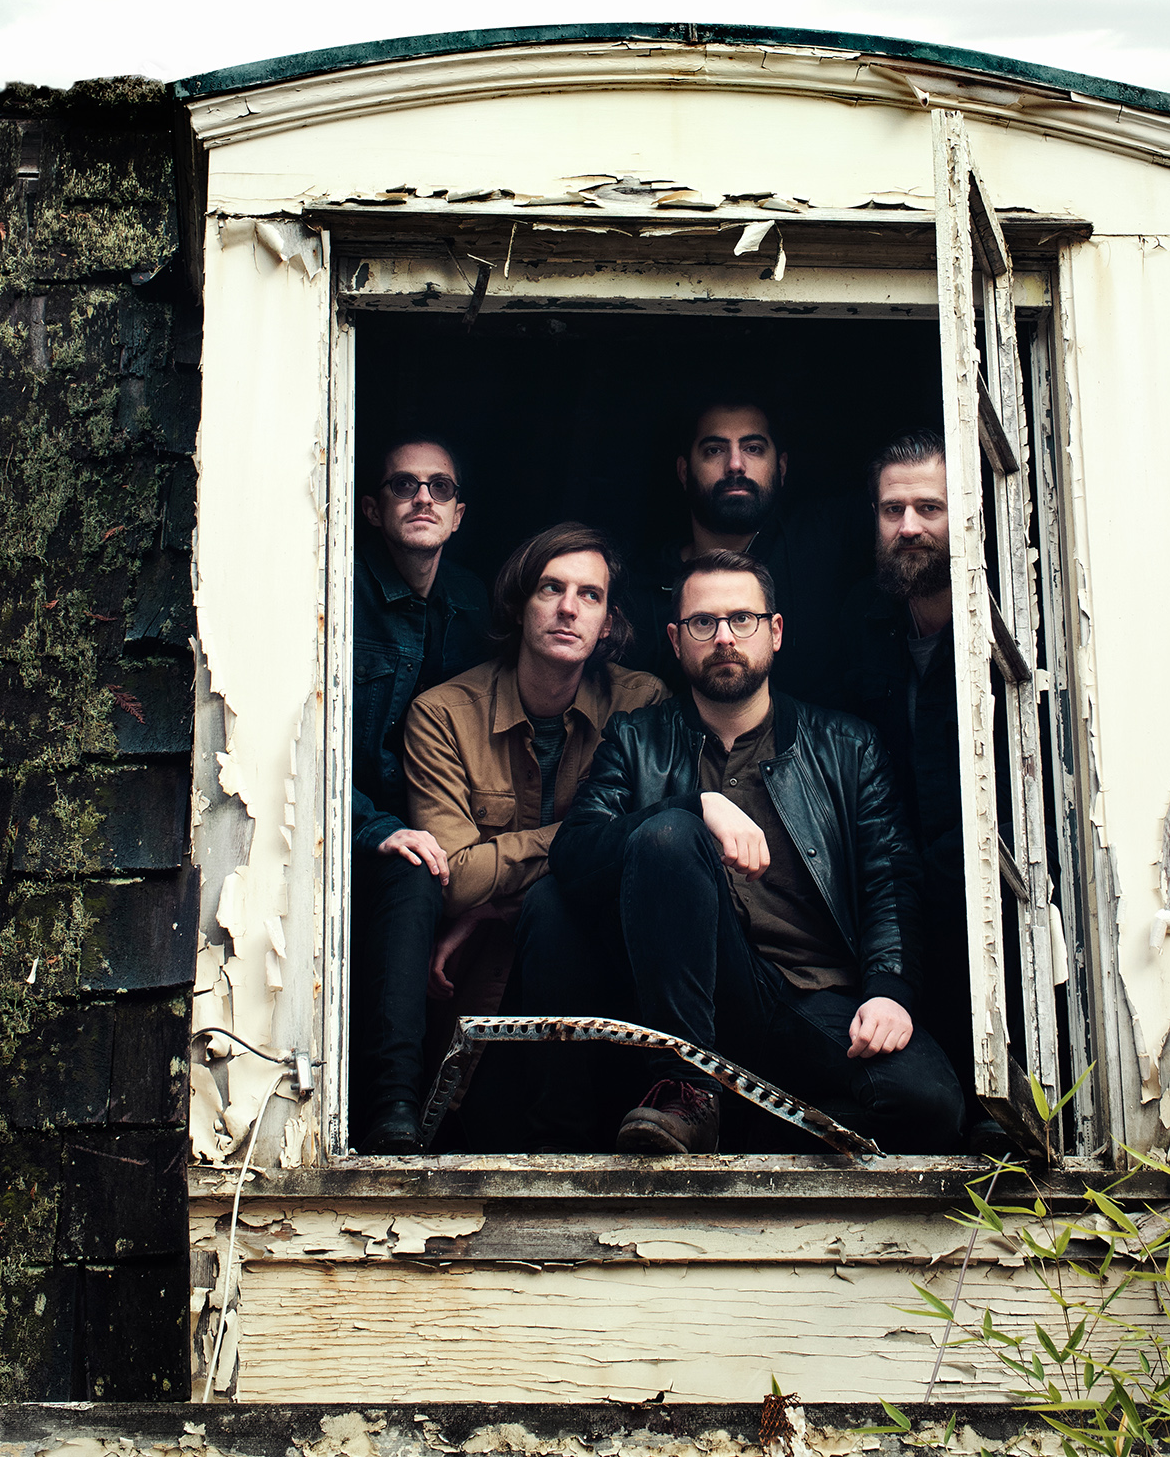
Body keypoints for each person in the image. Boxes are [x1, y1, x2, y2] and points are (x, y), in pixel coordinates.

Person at [540, 549, 964, 1155]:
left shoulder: (847, 745)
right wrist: (692, 806)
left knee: (930, 1106)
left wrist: (888, 991)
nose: (724, 638)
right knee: (668, 835)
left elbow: (889, 881)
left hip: (814, 998)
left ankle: (739, 1120)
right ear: (675, 641)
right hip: (691, 999)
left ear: (776, 631)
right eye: (702, 623)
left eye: (742, 619)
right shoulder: (636, 739)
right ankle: (687, 1090)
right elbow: (574, 855)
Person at [396, 523, 667, 1147]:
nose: (569, 608)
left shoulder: (641, 704)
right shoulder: (442, 714)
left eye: (590, 595)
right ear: (520, 604)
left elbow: (640, 855)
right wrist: (580, 840)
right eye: (551, 588)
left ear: (608, 622)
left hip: (603, 968)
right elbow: (457, 878)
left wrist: (495, 906)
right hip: (479, 983)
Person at [350, 431, 489, 1151]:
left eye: (440, 487)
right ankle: (392, 1112)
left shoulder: (471, 604)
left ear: (459, 513)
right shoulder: (337, 591)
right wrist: (375, 827)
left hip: (443, 831)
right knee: (411, 872)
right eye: (405, 485)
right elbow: (296, 750)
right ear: (372, 508)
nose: (423, 498)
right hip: (348, 827)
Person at [839, 429, 975, 1124]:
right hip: (890, 890)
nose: (909, 526)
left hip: (985, 901)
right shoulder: (858, 626)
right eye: (893, 510)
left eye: (930, 508)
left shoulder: (1002, 632)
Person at [631, 393, 867, 708]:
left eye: (753, 448)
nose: (735, 465)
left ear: (781, 467)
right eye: (714, 450)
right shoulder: (643, 587)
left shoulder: (826, 537)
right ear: (684, 471)